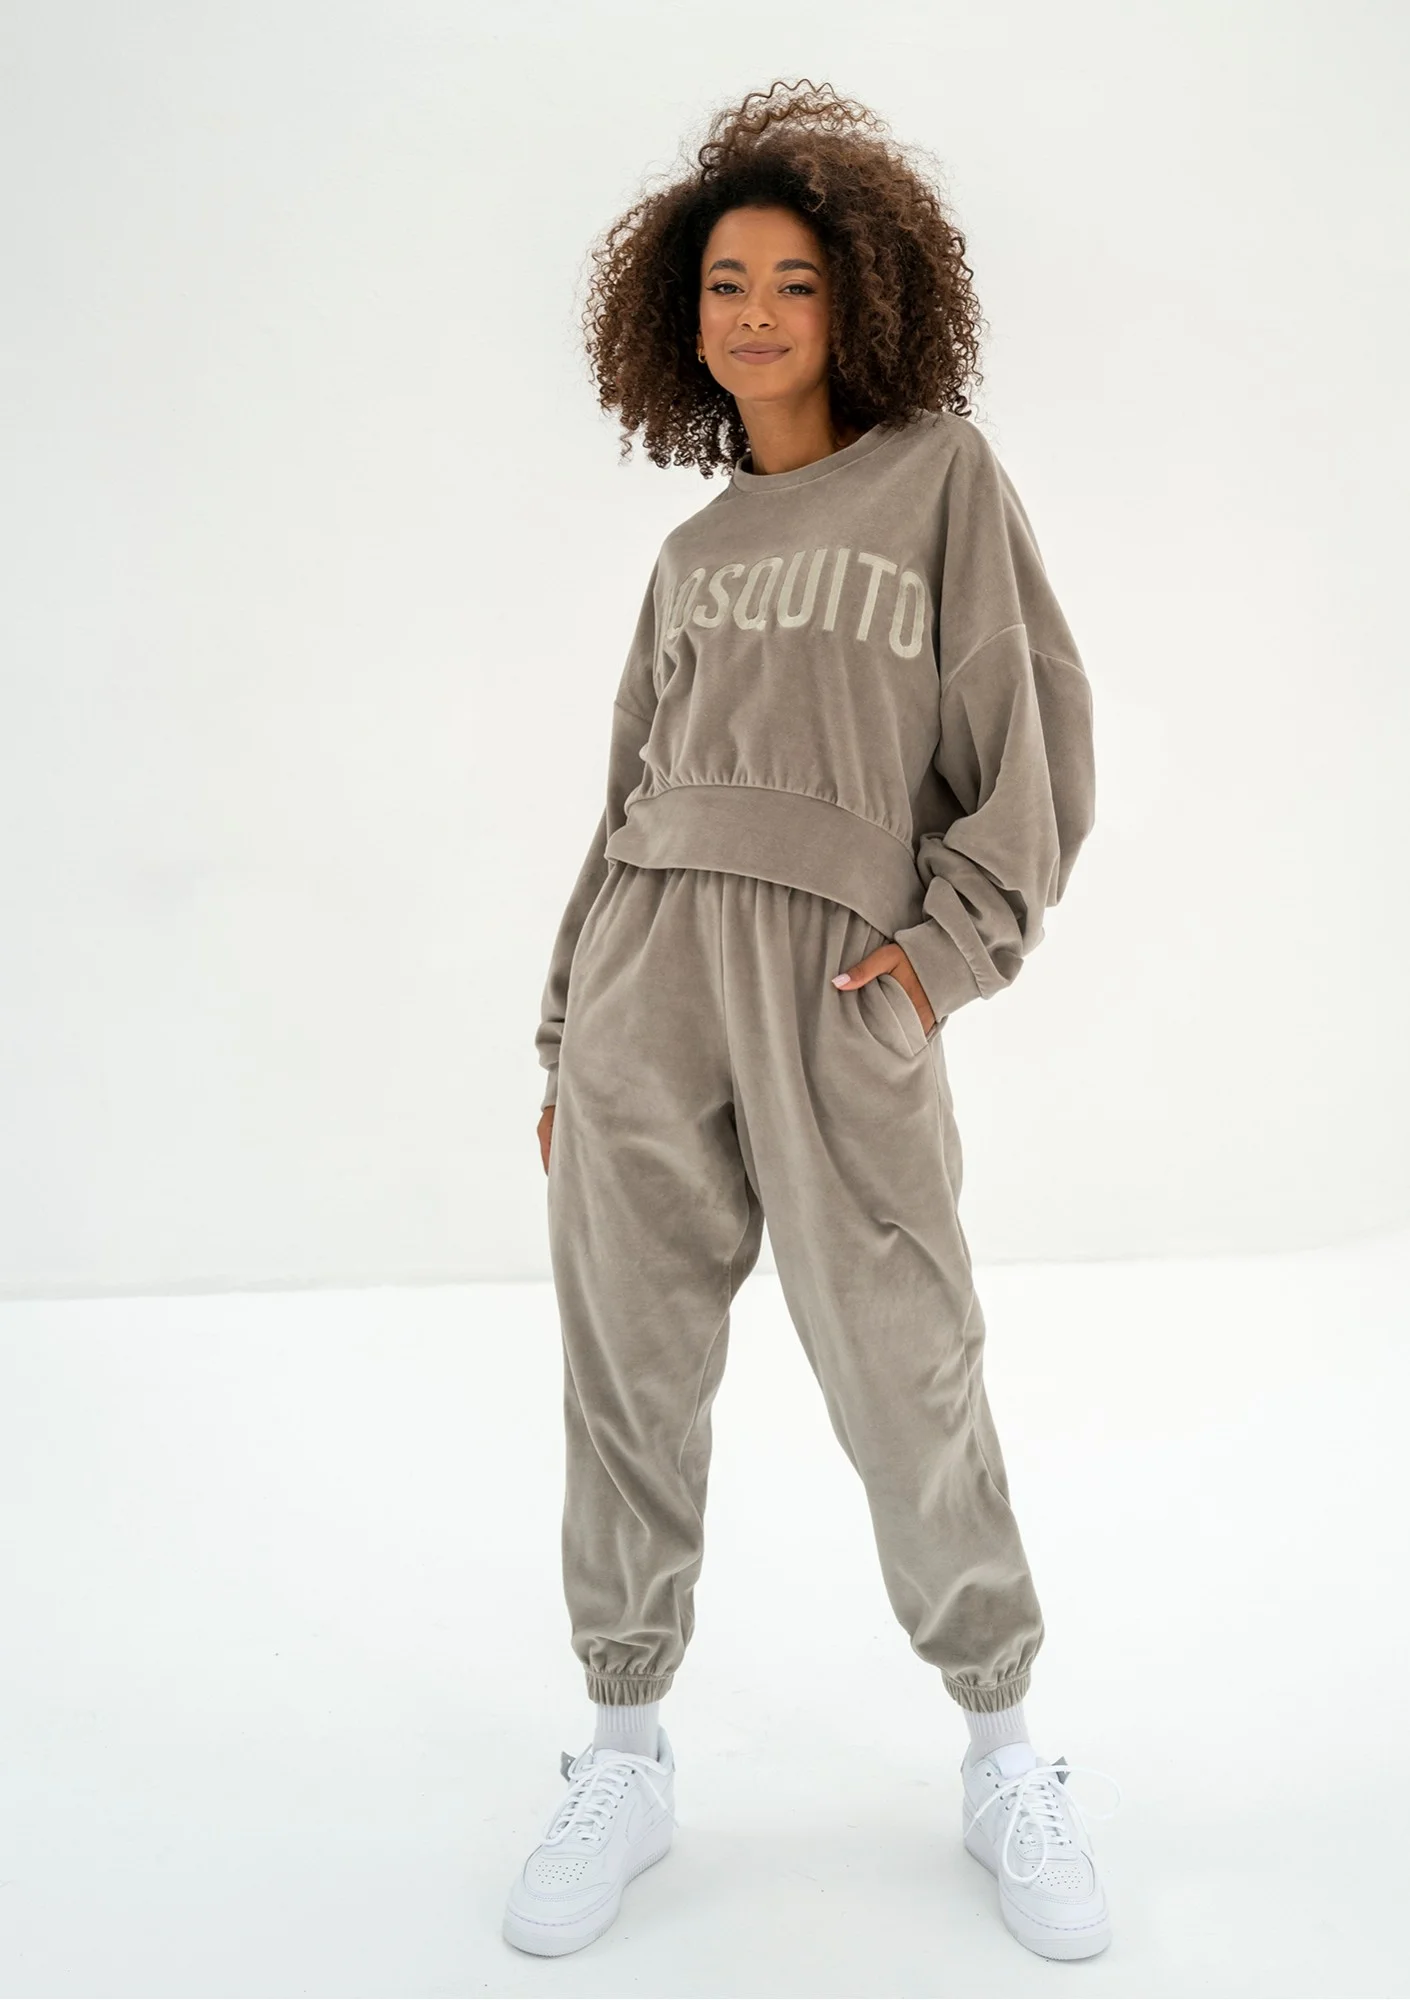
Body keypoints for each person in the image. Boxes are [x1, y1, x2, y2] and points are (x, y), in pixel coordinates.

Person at [502, 79, 1121, 1963]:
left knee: (905, 1364)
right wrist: (567, 1031)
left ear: (858, 294)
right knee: (625, 1375)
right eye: (723, 283)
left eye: (791, 278)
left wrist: (939, 960)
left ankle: (1003, 1750)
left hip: (841, 994)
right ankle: (621, 1750)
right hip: (648, 982)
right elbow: (624, 799)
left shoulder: (939, 479)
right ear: (678, 320)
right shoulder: (690, 558)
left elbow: (1029, 744)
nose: (756, 311)